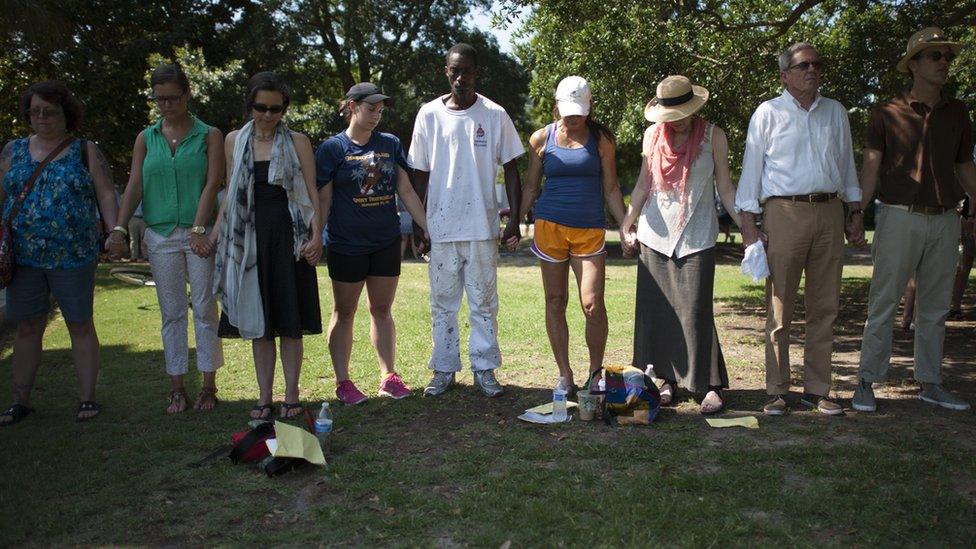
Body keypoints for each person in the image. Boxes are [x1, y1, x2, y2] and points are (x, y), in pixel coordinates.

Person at [735, 42, 863, 417]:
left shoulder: (836, 112)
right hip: (783, 213)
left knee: (825, 307)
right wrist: (748, 226)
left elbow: (847, 166)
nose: (812, 70)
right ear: (784, 75)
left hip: (829, 212)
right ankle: (776, 390)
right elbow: (752, 172)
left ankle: (818, 389)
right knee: (780, 308)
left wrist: (854, 211)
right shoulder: (767, 113)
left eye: (817, 64)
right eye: (804, 65)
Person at [854, 27, 976, 412]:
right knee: (884, 302)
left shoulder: (958, 112)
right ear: (914, 65)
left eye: (947, 57)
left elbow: (965, 166)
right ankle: (866, 383)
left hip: (945, 219)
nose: (944, 63)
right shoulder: (885, 113)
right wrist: (856, 213)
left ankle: (930, 382)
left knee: (936, 307)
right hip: (897, 217)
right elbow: (870, 169)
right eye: (936, 56)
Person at [0, 80, 122, 425]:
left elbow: (106, 194)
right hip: (23, 258)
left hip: (73, 255)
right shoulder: (13, 151)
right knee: (27, 328)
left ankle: (87, 399)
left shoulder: (84, 150)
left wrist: (115, 232)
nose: (41, 117)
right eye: (34, 110)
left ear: (65, 114)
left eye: (49, 111)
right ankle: (19, 400)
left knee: (80, 325)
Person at [408, 43, 524, 397]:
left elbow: (512, 169)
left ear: (477, 73)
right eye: (454, 71)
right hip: (441, 228)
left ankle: (485, 369)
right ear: (446, 72)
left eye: (467, 71)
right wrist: (418, 225)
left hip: (480, 226)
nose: (461, 78)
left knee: (484, 302)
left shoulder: (494, 114)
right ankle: (443, 369)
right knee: (442, 302)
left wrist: (515, 220)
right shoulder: (428, 114)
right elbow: (418, 174)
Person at [620, 75, 740, 414]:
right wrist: (627, 224)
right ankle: (666, 381)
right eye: (672, 114)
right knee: (660, 312)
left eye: (684, 112)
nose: (679, 120)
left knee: (696, 311)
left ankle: (712, 386)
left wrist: (748, 225)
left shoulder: (714, 136)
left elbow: (726, 188)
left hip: (697, 234)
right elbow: (644, 184)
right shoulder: (651, 135)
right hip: (654, 234)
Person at [110, 63, 224, 414]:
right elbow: (135, 185)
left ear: (187, 94)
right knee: (172, 312)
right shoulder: (146, 137)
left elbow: (213, 182)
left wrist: (200, 228)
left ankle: (208, 386)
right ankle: (177, 388)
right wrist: (119, 227)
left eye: (173, 98)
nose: (166, 105)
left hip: (198, 232)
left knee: (205, 308)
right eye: (159, 99)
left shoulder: (209, 135)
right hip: (160, 234)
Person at [210, 72, 322, 420]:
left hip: (289, 239)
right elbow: (230, 195)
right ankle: (263, 397)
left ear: (284, 109)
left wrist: (317, 236)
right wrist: (214, 235)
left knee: (289, 320)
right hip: (247, 242)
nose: (268, 115)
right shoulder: (233, 141)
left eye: (276, 109)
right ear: (251, 105)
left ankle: (291, 395)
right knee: (258, 323)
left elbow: (310, 193)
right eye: (261, 107)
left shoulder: (298, 141)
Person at [315, 82, 428, 404]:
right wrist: (314, 237)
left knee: (381, 309)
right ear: (352, 106)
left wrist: (426, 227)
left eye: (380, 110)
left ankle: (388, 376)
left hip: (385, 240)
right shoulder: (332, 149)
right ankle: (343, 382)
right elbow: (323, 200)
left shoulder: (390, 144)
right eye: (370, 109)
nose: (376, 115)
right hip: (345, 243)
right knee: (345, 311)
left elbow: (405, 190)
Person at [517, 76, 627, 394]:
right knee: (555, 300)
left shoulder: (602, 139)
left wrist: (625, 224)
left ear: (589, 107)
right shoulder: (541, 138)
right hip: (549, 226)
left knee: (592, 304)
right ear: (556, 106)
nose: (573, 117)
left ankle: (595, 375)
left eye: (579, 110)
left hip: (589, 228)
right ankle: (565, 374)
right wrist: (514, 224)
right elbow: (531, 186)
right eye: (567, 110)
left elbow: (611, 187)